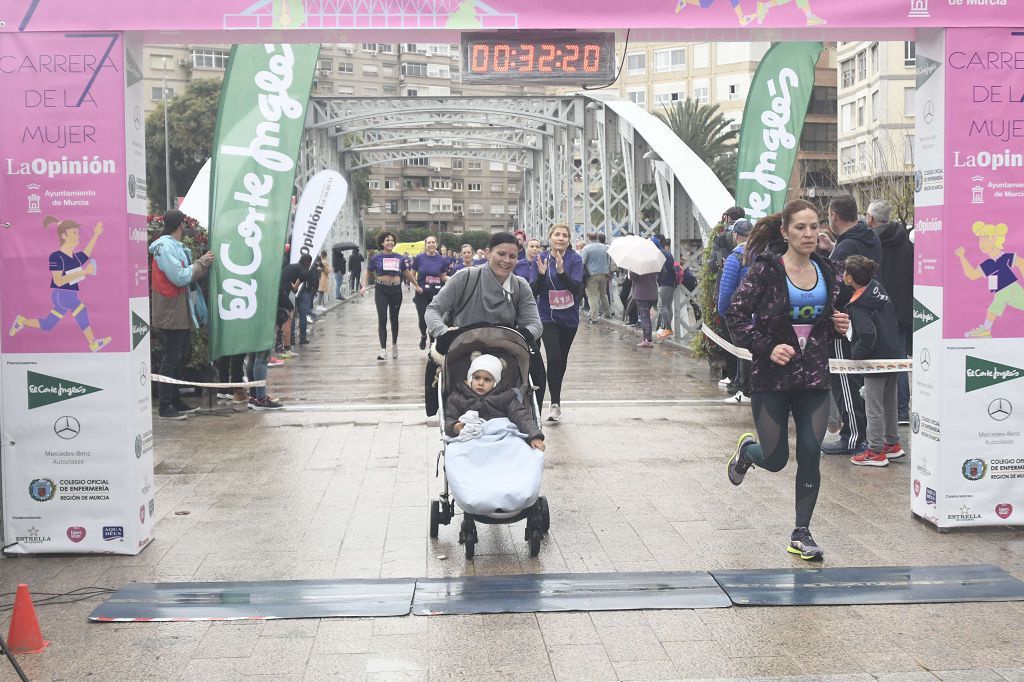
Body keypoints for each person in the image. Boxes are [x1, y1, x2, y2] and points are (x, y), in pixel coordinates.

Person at [725, 199, 849, 562]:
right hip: (771, 380)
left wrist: (839, 326)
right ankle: (748, 452)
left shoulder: (829, 271)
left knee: (811, 453)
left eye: (814, 226)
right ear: (785, 232)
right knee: (777, 458)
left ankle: (802, 531)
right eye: (801, 227)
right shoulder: (765, 272)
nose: (809, 234)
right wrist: (766, 347)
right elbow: (735, 315)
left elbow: (823, 323)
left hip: (814, 379)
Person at [817, 195, 880, 457]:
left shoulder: (845, 248)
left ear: (833, 215)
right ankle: (866, 434)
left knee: (844, 381)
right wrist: (833, 247)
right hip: (868, 318)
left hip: (844, 323)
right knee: (861, 383)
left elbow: (838, 288)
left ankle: (852, 436)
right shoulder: (868, 237)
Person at [147, 209, 214, 420]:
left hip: (178, 309)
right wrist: (202, 262)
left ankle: (175, 400)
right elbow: (179, 277)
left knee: (179, 355)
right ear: (180, 226)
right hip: (171, 310)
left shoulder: (172, 246)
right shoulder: (166, 248)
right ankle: (165, 405)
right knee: (172, 357)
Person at [9, 215, 111, 353]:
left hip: (68, 294)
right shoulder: (56, 256)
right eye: (74, 233)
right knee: (81, 311)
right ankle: (92, 343)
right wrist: (85, 272)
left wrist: (96, 235)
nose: (78, 235)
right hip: (62, 294)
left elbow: (86, 254)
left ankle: (22, 321)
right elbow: (58, 281)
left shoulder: (74, 257)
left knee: (48, 325)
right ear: (64, 235)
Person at [425, 232, 543, 342]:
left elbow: (535, 324)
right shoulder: (465, 277)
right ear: (488, 253)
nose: (506, 260)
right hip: (462, 351)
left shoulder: (520, 286)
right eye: (501, 254)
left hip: (504, 352)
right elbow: (433, 309)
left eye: (512, 256)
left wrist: (518, 336)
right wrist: (444, 333)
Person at [845, 255, 905, 467]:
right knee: (889, 402)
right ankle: (892, 443)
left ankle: (875, 450)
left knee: (874, 406)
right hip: (894, 354)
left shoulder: (858, 305)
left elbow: (868, 334)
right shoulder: (877, 289)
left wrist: (856, 355)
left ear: (849, 278)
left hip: (874, 359)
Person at [867, 200, 913, 423]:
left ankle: (892, 409)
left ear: (871, 219)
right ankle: (902, 408)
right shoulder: (906, 243)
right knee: (900, 357)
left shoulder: (872, 245)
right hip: (904, 309)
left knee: (879, 360)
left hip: (880, 309)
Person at [532, 224, 584, 422]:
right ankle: (554, 403)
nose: (560, 238)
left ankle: (556, 399)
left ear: (569, 240)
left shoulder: (575, 259)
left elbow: (576, 289)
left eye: (564, 235)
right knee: (553, 358)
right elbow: (533, 291)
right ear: (550, 237)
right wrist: (542, 275)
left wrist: (562, 272)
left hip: (569, 317)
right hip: (547, 316)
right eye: (557, 234)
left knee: (561, 360)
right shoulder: (540, 259)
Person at [445, 353, 545, 451]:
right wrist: (455, 427)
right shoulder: (458, 398)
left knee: (520, 449)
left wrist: (535, 436)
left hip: (501, 439)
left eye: (487, 379)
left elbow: (521, 416)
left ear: (495, 383)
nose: (481, 383)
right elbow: (449, 419)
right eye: (477, 378)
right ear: (470, 379)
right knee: (455, 453)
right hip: (471, 440)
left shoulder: (505, 397)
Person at [955, 220, 1024, 338]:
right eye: (979, 240)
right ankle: (986, 329)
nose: (979, 243)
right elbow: (972, 275)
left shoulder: (1003, 257)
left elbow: (1021, 263)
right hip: (1005, 291)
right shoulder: (988, 264)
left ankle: (986, 329)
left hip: (1012, 289)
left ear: (992, 239)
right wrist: (962, 257)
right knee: (1000, 296)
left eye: (982, 239)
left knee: (1001, 295)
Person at [717, 218, 754, 404]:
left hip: (741, 311)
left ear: (735, 235)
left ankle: (744, 392)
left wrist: (723, 311)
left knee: (742, 351)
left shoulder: (735, 257)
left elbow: (726, 289)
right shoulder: (762, 254)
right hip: (761, 311)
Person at [361, 232, 407, 360]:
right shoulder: (376, 258)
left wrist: (415, 285)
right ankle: (383, 350)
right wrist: (364, 286)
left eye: (392, 240)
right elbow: (368, 272)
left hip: (396, 291)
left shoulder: (399, 257)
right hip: (381, 290)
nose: (390, 242)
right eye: (387, 240)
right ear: (382, 243)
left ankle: (394, 344)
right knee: (382, 319)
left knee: (394, 319)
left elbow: (406, 272)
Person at [408, 235, 449, 350]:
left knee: (434, 317)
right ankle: (423, 335)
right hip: (422, 293)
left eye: (433, 242)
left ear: (436, 244)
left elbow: (443, 277)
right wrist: (416, 286)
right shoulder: (419, 258)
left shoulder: (441, 259)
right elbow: (411, 275)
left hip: (436, 294)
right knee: (422, 318)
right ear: (425, 245)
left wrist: (457, 278)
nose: (431, 244)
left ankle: (432, 343)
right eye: (429, 243)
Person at [278, 254, 311, 355]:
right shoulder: (304, 271)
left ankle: (279, 347)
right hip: (288, 293)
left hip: (279, 291)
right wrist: (293, 287)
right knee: (288, 320)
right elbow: (296, 287)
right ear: (309, 263)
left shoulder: (291, 266)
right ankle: (287, 349)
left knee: (279, 321)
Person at [580, 232, 611, 321]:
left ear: (588, 238)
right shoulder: (605, 247)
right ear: (597, 237)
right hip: (604, 274)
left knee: (592, 296)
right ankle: (607, 313)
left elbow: (583, 262)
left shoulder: (586, 248)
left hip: (591, 275)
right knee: (603, 294)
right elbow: (608, 260)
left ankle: (594, 317)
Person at [652, 235, 677, 339]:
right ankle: (667, 329)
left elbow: (660, 269)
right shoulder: (668, 253)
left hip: (665, 282)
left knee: (662, 307)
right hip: (672, 282)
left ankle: (668, 329)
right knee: (668, 306)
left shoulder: (660, 253)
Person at [629, 268, 659, 348]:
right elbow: (663, 273)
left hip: (641, 293)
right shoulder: (653, 262)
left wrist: (630, 270)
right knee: (646, 316)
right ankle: (645, 338)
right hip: (652, 292)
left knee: (644, 317)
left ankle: (648, 339)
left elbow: (632, 277)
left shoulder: (637, 264)